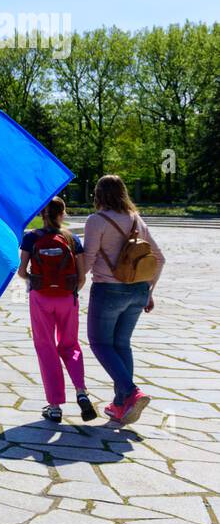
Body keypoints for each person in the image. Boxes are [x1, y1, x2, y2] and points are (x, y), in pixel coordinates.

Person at [82, 175, 166, 425]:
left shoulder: (96, 221)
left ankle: (131, 392)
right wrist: (150, 291)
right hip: (138, 291)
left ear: (98, 195)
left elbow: (88, 258)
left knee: (99, 343)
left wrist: (76, 284)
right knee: (121, 344)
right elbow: (159, 258)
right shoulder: (136, 220)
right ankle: (120, 405)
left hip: (108, 290)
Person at [18, 197, 94, 423]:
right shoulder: (72, 238)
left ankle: (54, 406)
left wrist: (37, 282)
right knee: (70, 345)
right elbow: (81, 277)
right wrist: (69, 291)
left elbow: (21, 271)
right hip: (67, 299)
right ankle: (81, 391)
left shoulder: (31, 238)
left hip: (41, 297)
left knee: (46, 347)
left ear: (42, 214)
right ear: (63, 213)